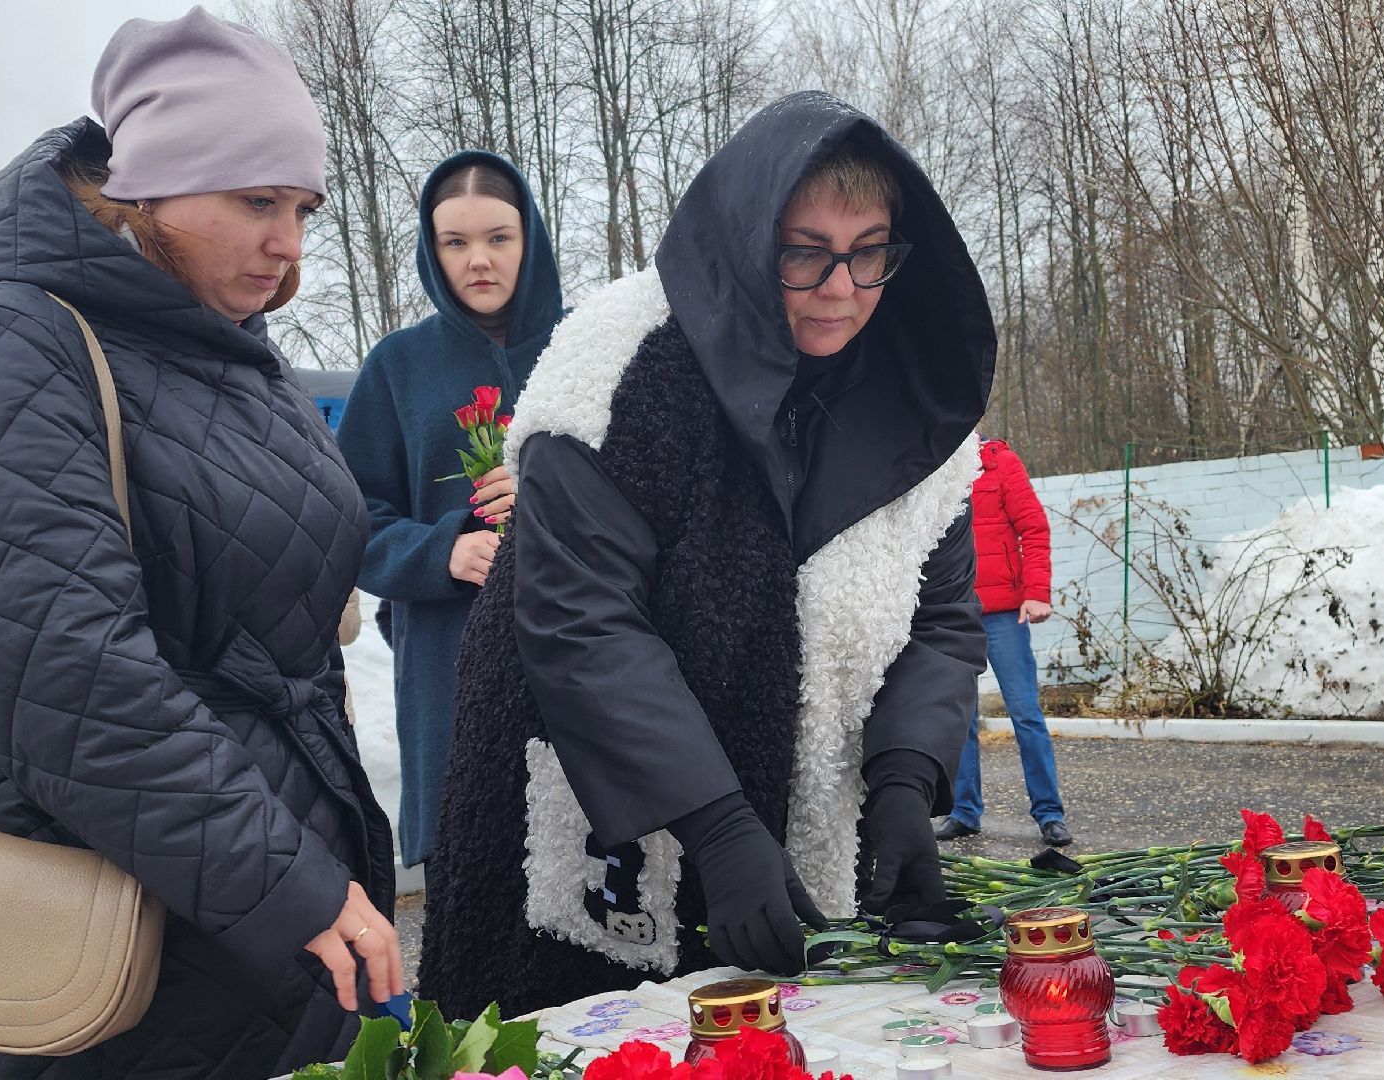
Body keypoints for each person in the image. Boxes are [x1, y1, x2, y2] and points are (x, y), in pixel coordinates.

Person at [0, 9, 398, 1076]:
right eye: (256, 201)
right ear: (151, 190)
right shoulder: (15, 337)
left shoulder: (239, 357)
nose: (289, 243)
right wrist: (283, 880)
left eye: (304, 208)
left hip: (263, 896)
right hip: (106, 918)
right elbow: (58, 671)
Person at [421, 91, 995, 1017]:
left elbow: (940, 618)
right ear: (745, 238)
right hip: (596, 801)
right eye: (803, 252)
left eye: (869, 252)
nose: (841, 288)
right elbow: (580, 616)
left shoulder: (917, 394)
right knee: (576, 1042)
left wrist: (902, 778)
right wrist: (717, 823)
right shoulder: (621, 365)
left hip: (789, 815)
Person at [337, 150, 564, 866]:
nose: (479, 260)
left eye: (499, 237)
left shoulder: (585, 348)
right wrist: (442, 549)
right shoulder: (398, 366)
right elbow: (352, 517)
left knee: (586, 858)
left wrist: (555, 496)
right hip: (448, 655)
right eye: (455, 241)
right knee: (470, 857)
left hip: (583, 642)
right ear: (431, 251)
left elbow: (656, 492)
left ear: (530, 239)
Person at [935, 435, 1070, 846]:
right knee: (960, 719)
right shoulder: (935, 469)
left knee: (1025, 713)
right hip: (955, 614)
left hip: (1005, 615)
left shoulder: (1000, 464)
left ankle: (1049, 814)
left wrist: (1037, 592)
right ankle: (964, 811)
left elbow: (1034, 528)